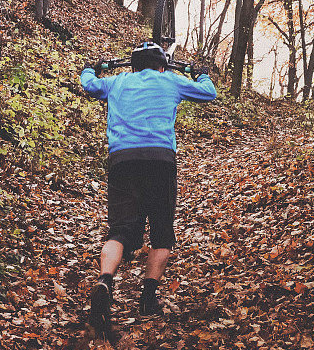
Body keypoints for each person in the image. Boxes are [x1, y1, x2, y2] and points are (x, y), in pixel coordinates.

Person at [80, 42, 216, 324]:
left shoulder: (116, 83)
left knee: (119, 231)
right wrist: (199, 74)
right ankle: (147, 298)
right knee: (162, 233)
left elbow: (90, 85)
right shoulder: (171, 81)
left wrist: (89, 69)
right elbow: (209, 92)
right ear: (162, 66)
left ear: (133, 66)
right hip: (159, 161)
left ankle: (105, 281)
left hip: (122, 161)